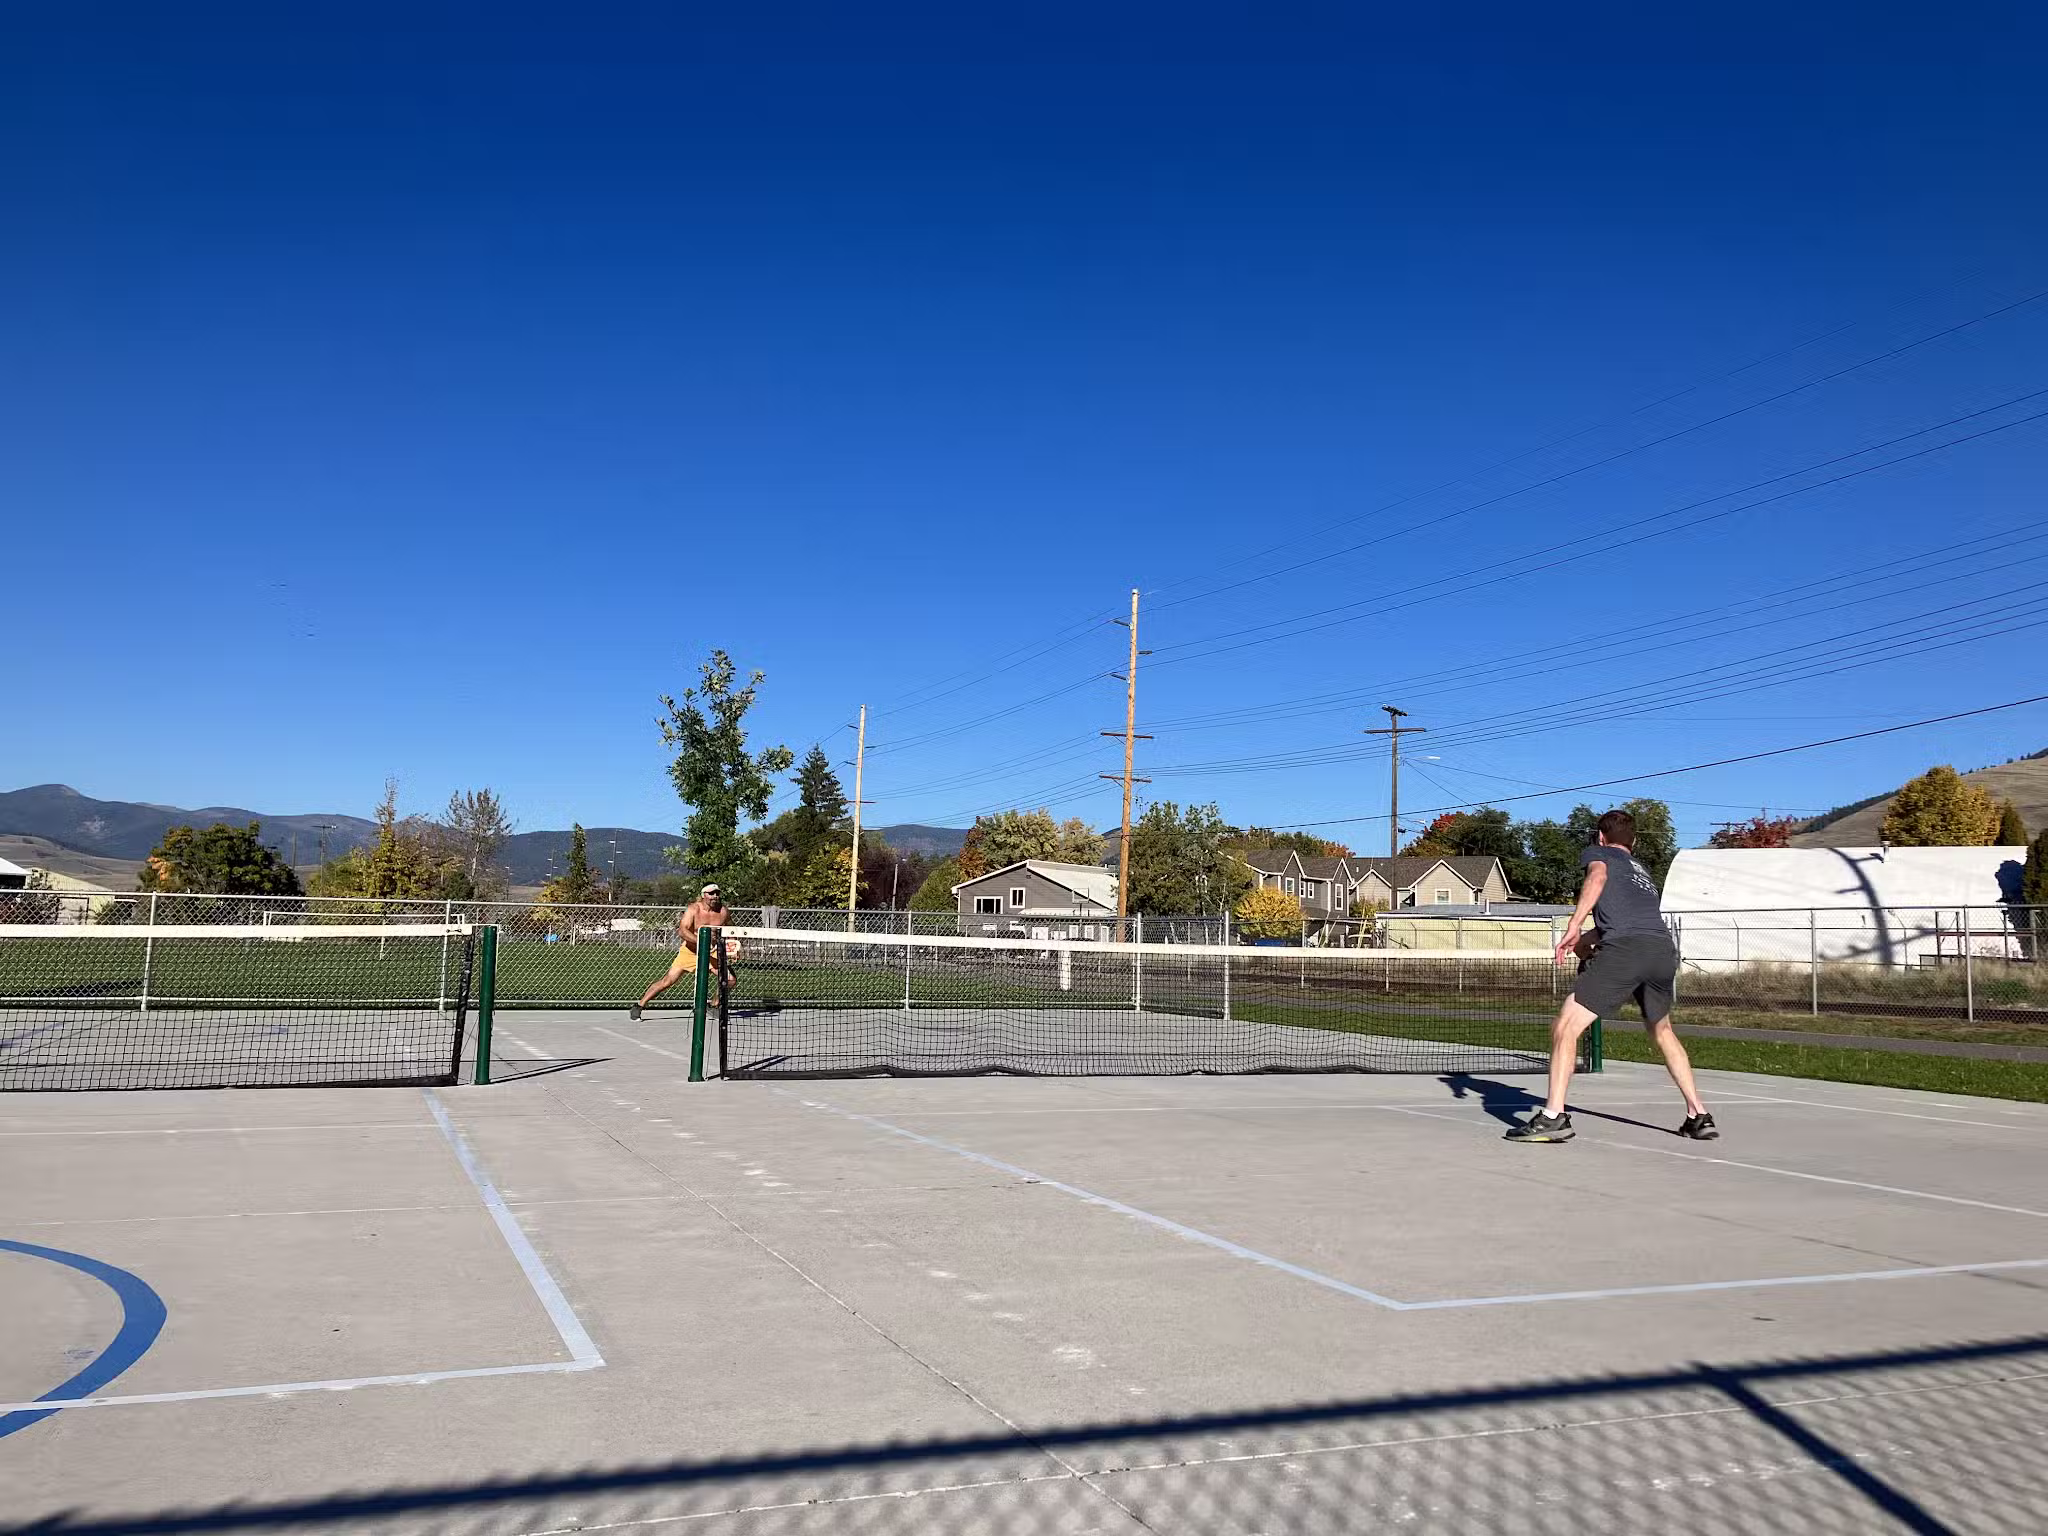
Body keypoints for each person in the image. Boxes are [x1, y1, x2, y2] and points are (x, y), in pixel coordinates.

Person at [1506, 810, 1716, 1143]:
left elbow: (1597, 878)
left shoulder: (1599, 855)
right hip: (1661, 951)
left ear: (1601, 837)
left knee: (1565, 1026)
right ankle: (1698, 1115)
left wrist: (1573, 925)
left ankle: (1553, 1117)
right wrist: (1585, 942)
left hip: (1628, 950)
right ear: (1633, 841)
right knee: (1662, 1031)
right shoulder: (1642, 873)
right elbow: (1620, 924)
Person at [630, 883, 730, 1020]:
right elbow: (682, 931)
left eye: (717, 893)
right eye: (711, 893)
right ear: (703, 896)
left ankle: (713, 1006)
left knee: (729, 979)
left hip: (711, 953)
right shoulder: (693, 909)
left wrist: (734, 946)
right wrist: (701, 942)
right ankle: (639, 1005)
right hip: (690, 951)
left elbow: (730, 930)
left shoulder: (723, 911)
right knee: (668, 981)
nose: (715, 896)